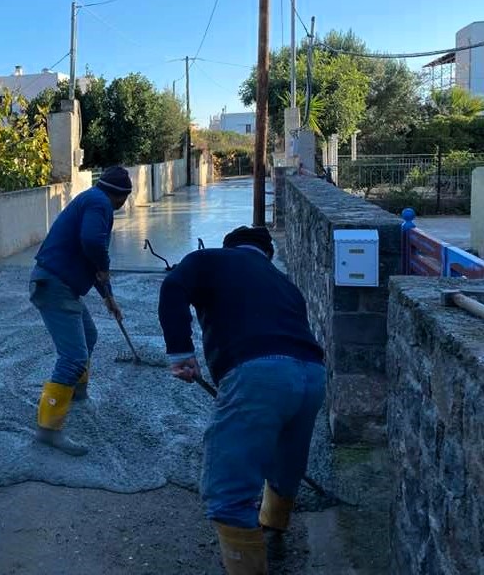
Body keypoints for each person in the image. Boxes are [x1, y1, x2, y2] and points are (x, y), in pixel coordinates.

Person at [157, 225, 325, 575]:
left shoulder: (210, 259)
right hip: (312, 375)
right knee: (287, 456)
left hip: (258, 374)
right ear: (269, 254)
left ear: (229, 246)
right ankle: (275, 525)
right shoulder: (285, 283)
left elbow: (173, 285)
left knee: (228, 488)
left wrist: (179, 352)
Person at [29, 165, 132, 456]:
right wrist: (104, 266)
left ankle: (77, 393)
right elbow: (92, 243)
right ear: (122, 197)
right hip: (53, 285)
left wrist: (108, 297)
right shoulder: (100, 204)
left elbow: (91, 262)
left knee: (89, 336)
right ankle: (48, 431)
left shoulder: (91, 199)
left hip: (61, 284)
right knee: (73, 356)